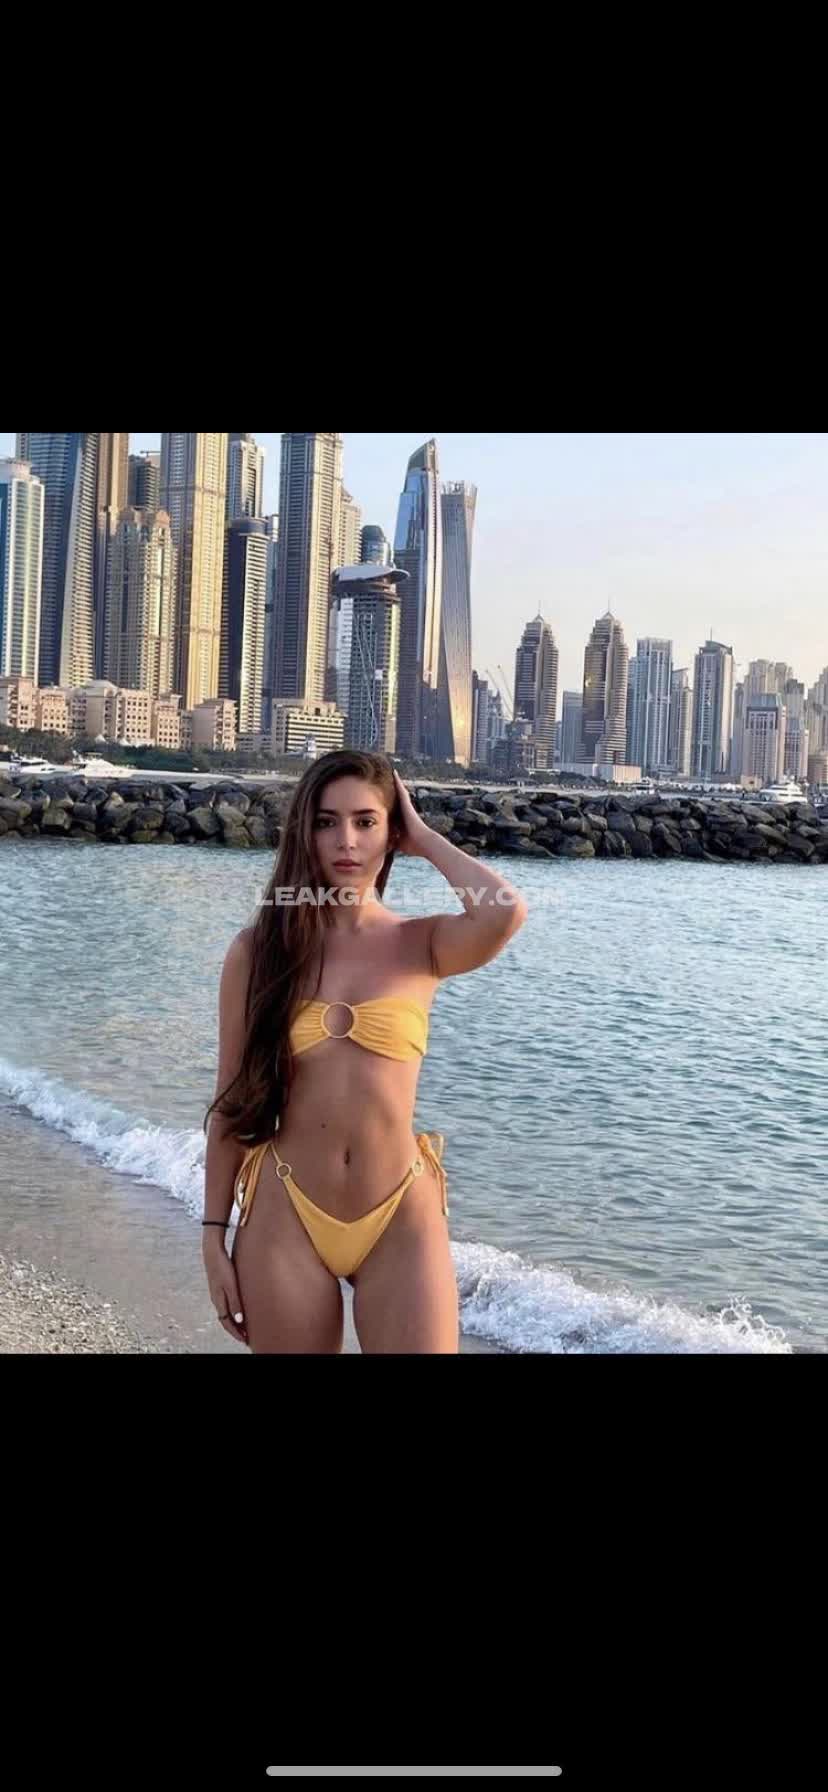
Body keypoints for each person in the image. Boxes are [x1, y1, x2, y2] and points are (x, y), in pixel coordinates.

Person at [201, 750, 528, 1353]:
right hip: (286, 1208)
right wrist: (212, 1237)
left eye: (366, 822)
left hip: (400, 1209)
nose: (345, 841)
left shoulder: (421, 944)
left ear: (390, 831)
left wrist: (425, 838)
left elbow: (505, 910)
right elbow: (230, 1101)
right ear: (304, 832)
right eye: (326, 822)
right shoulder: (259, 951)